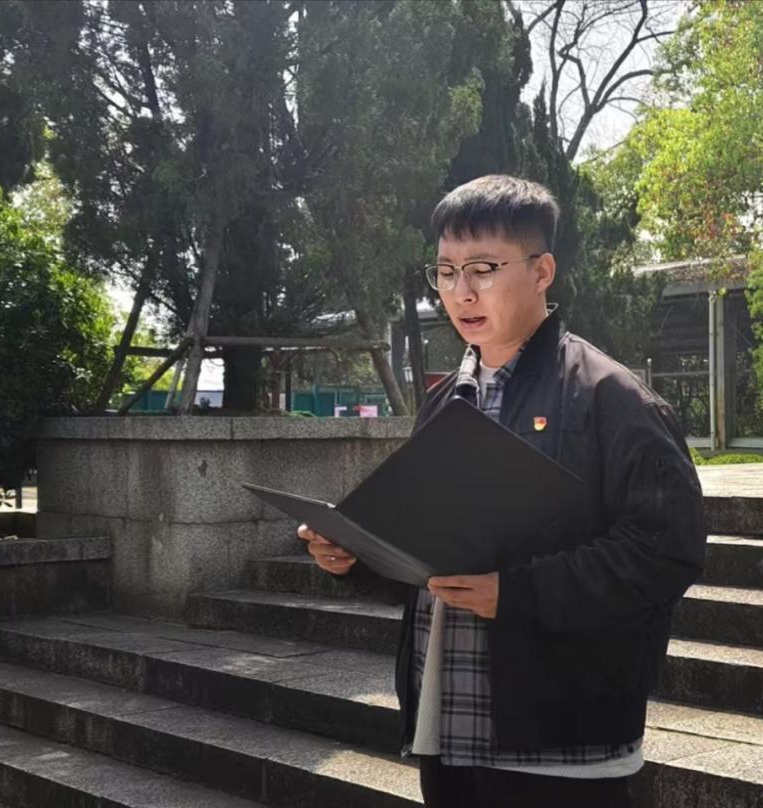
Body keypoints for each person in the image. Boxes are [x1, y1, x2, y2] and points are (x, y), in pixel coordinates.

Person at [298, 175, 706, 807]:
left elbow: (665, 551)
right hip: (447, 730)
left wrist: (517, 594)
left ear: (542, 271)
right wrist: (355, 556)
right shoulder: (445, 400)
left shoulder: (609, 396)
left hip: (562, 746)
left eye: (483, 269)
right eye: (445, 272)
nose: (461, 292)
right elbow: (431, 557)